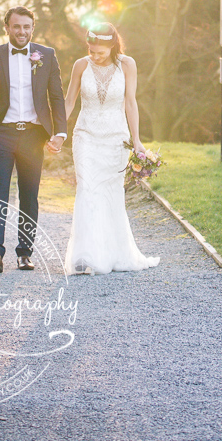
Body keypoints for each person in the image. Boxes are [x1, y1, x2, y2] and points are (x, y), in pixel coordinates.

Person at [0, 6, 68, 273]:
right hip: (2, 134)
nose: (21, 31)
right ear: (7, 28)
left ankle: (25, 252)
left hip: (34, 137)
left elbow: (56, 97)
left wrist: (59, 133)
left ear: (32, 28)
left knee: (29, 195)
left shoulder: (46, 55)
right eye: (16, 26)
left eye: (26, 27)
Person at [59, 22, 160, 275]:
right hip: (86, 136)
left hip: (116, 138)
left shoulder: (127, 65)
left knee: (110, 194)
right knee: (87, 188)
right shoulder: (81, 66)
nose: (94, 56)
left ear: (113, 45)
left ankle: (111, 253)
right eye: (91, 50)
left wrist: (137, 141)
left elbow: (130, 103)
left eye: (99, 52)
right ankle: (85, 257)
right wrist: (58, 132)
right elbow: (69, 101)